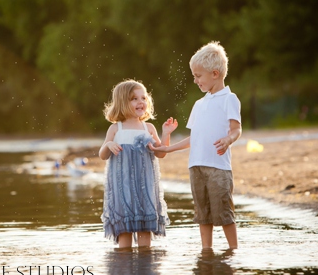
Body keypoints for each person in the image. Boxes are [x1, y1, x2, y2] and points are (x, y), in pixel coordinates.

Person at [149, 41, 242, 249]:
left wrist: (228, 139)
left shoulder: (230, 99)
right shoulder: (199, 104)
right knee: (202, 215)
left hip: (218, 168)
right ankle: (206, 252)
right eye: (194, 76)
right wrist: (167, 148)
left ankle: (233, 251)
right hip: (196, 166)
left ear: (215, 74)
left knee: (224, 212)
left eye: (198, 76)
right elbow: (195, 138)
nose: (195, 80)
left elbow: (236, 129)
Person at [99, 79, 176, 248]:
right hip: (123, 190)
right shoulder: (115, 129)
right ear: (122, 103)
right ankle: (124, 269)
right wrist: (108, 145)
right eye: (134, 98)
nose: (140, 102)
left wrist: (166, 134)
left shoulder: (148, 128)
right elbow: (102, 155)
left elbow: (161, 152)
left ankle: (145, 268)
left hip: (145, 189)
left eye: (143, 98)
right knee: (124, 232)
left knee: (144, 231)